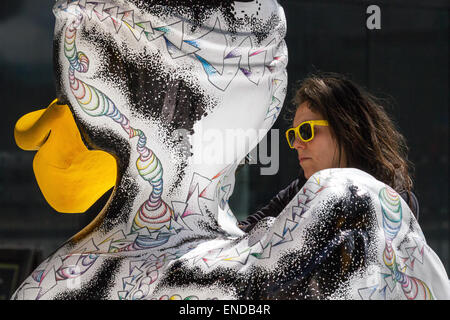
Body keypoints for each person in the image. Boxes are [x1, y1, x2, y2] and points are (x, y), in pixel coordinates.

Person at [238, 72, 419, 232]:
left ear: (346, 130)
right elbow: (244, 232)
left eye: (306, 131)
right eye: (293, 134)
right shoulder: (300, 190)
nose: (296, 144)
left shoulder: (393, 202)